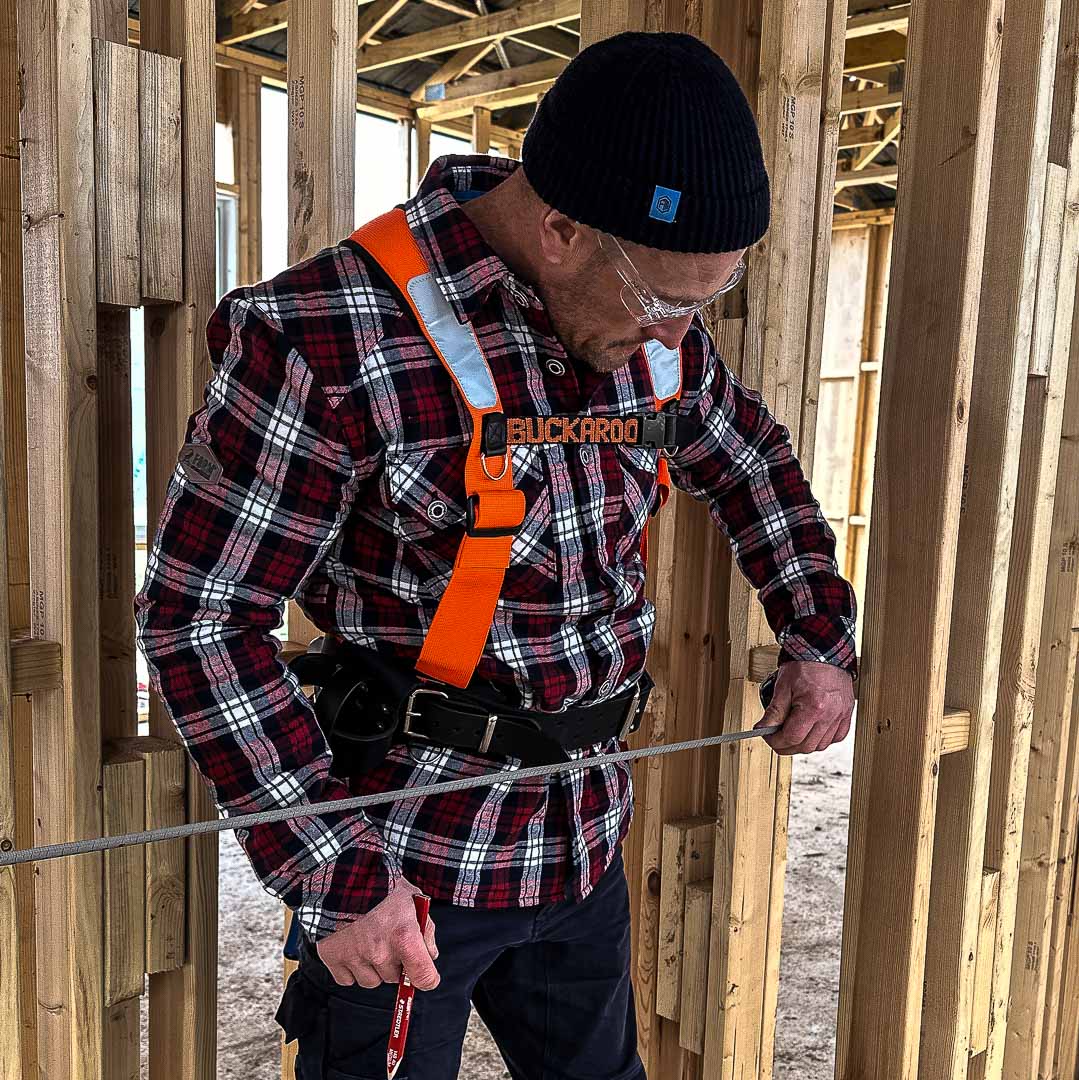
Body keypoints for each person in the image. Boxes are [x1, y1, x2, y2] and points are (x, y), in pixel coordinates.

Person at [134, 29, 857, 1080]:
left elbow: (751, 461)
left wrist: (818, 633)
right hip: (404, 876)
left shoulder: (647, 331)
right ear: (562, 231)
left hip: (580, 840)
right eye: (666, 304)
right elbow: (200, 618)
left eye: (706, 307)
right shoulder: (332, 336)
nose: (677, 343)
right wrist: (334, 878)